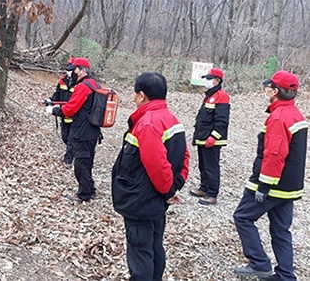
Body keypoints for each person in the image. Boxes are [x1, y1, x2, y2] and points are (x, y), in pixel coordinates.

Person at [111, 72, 190, 280]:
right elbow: (185, 157)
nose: (134, 98)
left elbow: (158, 165)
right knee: (154, 246)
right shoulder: (172, 119)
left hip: (142, 201)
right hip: (155, 200)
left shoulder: (148, 123)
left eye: (135, 94)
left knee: (141, 253)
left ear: (142, 96)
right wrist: (174, 186)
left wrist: (169, 190)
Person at [233, 71, 308, 281]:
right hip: (289, 187)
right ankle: (285, 275)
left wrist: (263, 186)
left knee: (242, 217)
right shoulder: (295, 114)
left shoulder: (278, 117)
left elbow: (274, 155)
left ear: (275, 91)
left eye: (269, 87)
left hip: (273, 185)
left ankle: (259, 264)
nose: (266, 89)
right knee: (281, 231)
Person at [45, 57, 101, 202]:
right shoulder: (94, 84)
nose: (71, 73)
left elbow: (70, 109)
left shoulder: (83, 87)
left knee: (81, 164)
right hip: (92, 132)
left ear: (82, 71)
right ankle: (90, 189)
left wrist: (54, 110)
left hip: (82, 132)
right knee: (87, 162)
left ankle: (84, 194)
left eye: (74, 70)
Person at [190, 68, 230, 205]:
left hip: (211, 140)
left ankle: (212, 193)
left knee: (211, 166)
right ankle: (204, 188)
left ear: (217, 80)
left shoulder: (221, 96)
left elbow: (222, 121)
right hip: (203, 137)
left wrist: (214, 137)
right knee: (203, 165)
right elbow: (202, 119)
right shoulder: (209, 95)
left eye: (209, 79)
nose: (206, 81)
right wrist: (196, 136)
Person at [48, 57, 75, 168]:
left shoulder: (80, 84)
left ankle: (68, 160)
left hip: (75, 115)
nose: (68, 71)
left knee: (72, 138)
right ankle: (74, 150)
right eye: (67, 69)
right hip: (64, 114)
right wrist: (51, 101)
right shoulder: (63, 80)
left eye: (71, 69)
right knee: (65, 136)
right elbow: (57, 93)